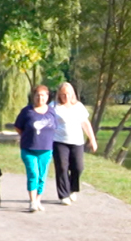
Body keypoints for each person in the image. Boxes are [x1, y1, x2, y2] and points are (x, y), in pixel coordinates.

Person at [13, 84, 58, 212]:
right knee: (33, 173)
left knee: (42, 176)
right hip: (29, 149)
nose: (40, 98)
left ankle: (38, 200)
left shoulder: (51, 111)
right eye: (37, 95)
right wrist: (27, 136)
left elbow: (54, 127)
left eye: (43, 95)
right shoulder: (27, 111)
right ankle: (32, 201)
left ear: (47, 97)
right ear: (33, 97)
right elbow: (18, 127)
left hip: (46, 149)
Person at [52, 82, 98, 205]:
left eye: (68, 94)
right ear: (59, 95)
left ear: (73, 94)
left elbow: (85, 124)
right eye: (63, 94)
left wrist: (92, 140)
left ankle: (72, 188)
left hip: (77, 141)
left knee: (78, 167)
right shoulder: (54, 106)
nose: (66, 97)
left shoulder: (78, 106)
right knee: (62, 167)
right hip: (59, 141)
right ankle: (64, 195)